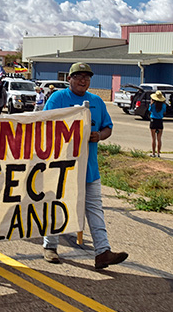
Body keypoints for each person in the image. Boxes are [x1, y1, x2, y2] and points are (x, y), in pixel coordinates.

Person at [42, 62, 128, 269]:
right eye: (78, 76)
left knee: (95, 209)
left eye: (87, 77)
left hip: (89, 169)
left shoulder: (97, 101)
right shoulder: (58, 98)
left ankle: (102, 252)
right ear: (69, 79)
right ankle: (50, 246)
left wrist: (99, 136)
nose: (83, 80)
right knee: (57, 205)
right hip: (62, 167)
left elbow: (108, 127)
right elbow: (44, 123)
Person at [149, 91, 166, 158]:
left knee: (153, 138)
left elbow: (150, 110)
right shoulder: (164, 105)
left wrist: (151, 103)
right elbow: (164, 111)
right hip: (160, 121)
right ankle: (158, 153)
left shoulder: (152, 105)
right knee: (159, 139)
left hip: (153, 121)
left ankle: (153, 153)